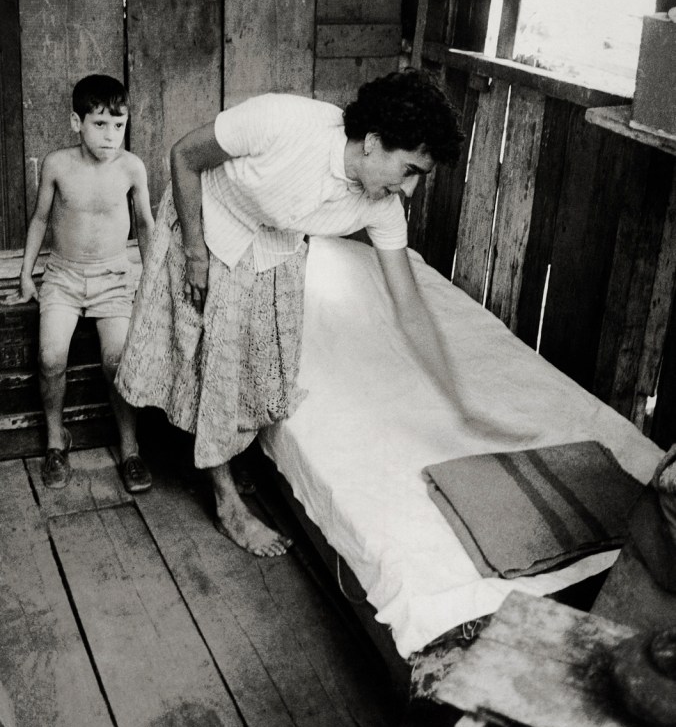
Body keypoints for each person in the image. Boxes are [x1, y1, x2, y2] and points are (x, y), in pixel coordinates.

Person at [115, 68, 467, 557]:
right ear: (374, 141)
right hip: (209, 223)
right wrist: (195, 253)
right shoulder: (282, 121)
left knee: (259, 370)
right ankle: (227, 505)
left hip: (274, 250)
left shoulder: (381, 208)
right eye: (409, 171)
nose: (408, 191)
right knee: (215, 365)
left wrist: (456, 395)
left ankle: (224, 453)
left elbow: (408, 303)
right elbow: (183, 157)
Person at [12, 74, 155, 493]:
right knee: (51, 357)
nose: (110, 135)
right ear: (77, 122)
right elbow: (39, 219)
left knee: (117, 360)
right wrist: (25, 274)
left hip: (114, 278)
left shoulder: (131, 167)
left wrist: (151, 281)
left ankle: (130, 448)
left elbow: (145, 225)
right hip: (63, 276)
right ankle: (57, 440)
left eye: (118, 124)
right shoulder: (57, 164)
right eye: (99, 124)